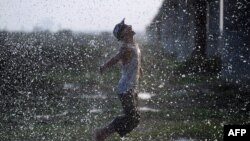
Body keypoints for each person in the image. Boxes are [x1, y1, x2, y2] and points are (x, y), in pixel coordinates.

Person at [94, 18, 143, 141]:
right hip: (125, 88)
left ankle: (105, 133)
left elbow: (134, 61)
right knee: (132, 117)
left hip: (132, 87)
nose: (130, 26)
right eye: (126, 26)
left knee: (135, 119)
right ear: (123, 34)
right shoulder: (125, 47)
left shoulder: (133, 45)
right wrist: (104, 66)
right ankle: (102, 132)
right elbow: (116, 58)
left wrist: (139, 69)